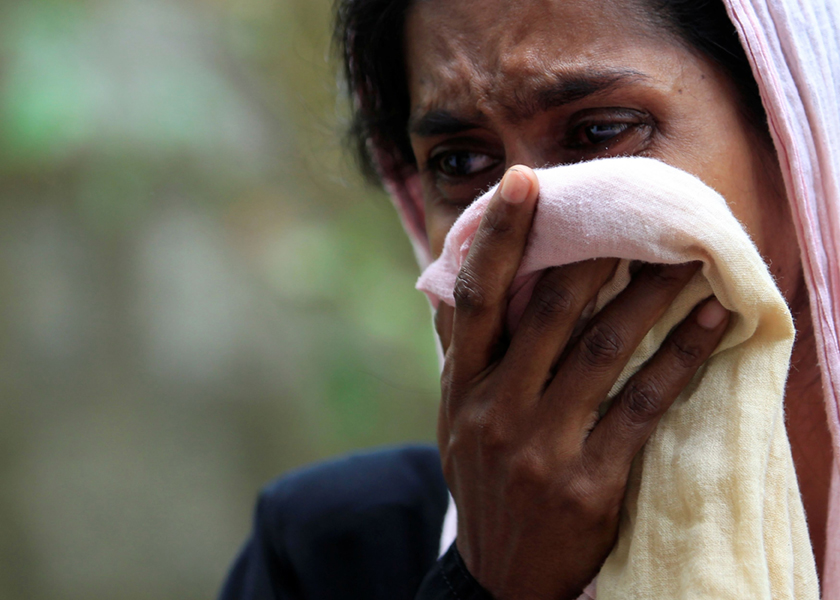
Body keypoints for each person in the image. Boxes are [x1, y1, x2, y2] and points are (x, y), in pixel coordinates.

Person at [218, 0, 840, 598]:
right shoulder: (328, 552)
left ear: (797, 140)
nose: (520, 220)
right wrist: (489, 581)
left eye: (600, 131)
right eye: (460, 161)